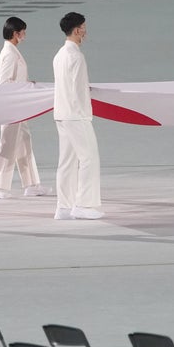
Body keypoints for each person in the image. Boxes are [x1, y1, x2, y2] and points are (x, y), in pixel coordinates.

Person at [0, 17, 50, 199]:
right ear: (15, 33)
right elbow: (5, 82)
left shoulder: (12, 51)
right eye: (23, 32)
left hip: (20, 106)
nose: (25, 35)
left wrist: (27, 84)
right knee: (8, 144)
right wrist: (25, 87)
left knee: (24, 144)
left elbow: (15, 80)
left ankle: (32, 184)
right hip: (12, 106)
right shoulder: (9, 54)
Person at [52, 12, 103, 220]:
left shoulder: (59, 55)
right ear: (76, 30)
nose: (85, 30)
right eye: (83, 27)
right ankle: (84, 204)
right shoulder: (76, 57)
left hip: (61, 113)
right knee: (89, 158)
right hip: (76, 115)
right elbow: (78, 90)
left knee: (66, 161)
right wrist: (86, 115)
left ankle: (63, 207)